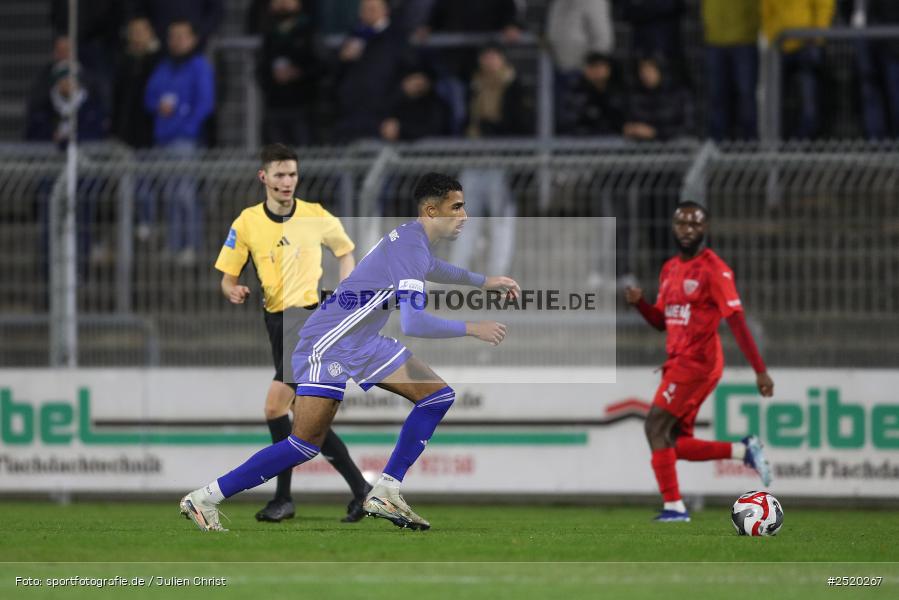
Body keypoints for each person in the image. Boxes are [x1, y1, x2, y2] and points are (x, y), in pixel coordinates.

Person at [180, 173, 520, 531]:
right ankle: (205, 498)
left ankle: (386, 489)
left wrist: (484, 282)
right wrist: (472, 328)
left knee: (437, 397)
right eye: (457, 207)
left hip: (361, 341)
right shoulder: (410, 245)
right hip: (327, 342)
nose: (465, 215)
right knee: (304, 444)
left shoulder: (412, 240)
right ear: (432, 211)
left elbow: (434, 268)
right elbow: (414, 323)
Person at [213, 143, 371, 523]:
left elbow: (345, 250)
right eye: (280, 175)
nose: (287, 182)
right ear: (263, 177)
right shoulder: (247, 222)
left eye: (292, 175)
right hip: (276, 320)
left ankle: (284, 499)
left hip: (306, 320)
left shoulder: (316, 216)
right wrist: (231, 290)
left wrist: (346, 282)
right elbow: (226, 277)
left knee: (275, 407)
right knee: (306, 419)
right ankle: (362, 492)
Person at [624, 201, 775, 522]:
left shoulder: (714, 269)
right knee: (673, 442)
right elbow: (662, 321)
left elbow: (736, 321)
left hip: (698, 363)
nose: (687, 230)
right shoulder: (670, 269)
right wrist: (640, 305)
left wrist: (759, 370)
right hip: (679, 361)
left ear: (705, 228)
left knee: (654, 426)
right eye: (682, 223)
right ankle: (743, 451)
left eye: (694, 224)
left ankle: (675, 507)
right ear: (674, 227)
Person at [144, 19, 215, 265]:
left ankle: (191, 244)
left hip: (185, 140)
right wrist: (158, 106)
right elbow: (150, 96)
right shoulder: (164, 66)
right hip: (164, 138)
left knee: (185, 194)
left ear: (193, 39)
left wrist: (187, 125)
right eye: (173, 36)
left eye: (182, 36)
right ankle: (175, 244)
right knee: (170, 194)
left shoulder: (199, 66)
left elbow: (205, 103)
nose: (177, 41)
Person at [332, 0, 414, 142]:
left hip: (383, 119)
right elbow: (336, 75)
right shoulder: (354, 36)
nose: (367, 12)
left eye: (372, 8)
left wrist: (397, 117)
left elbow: (410, 80)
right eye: (363, 8)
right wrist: (342, 60)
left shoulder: (398, 38)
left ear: (385, 10)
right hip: (351, 117)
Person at [761, 0, 835, 139]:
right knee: (777, 100)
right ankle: (783, 141)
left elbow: (823, 5)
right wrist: (772, 37)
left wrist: (817, 36)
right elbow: (766, 9)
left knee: (810, 99)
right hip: (780, 45)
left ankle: (807, 141)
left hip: (807, 44)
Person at [256, 0, 324, 146]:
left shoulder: (309, 32)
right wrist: (272, 77)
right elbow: (261, 69)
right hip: (274, 108)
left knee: (306, 158)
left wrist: (298, 73)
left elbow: (322, 66)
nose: (282, 4)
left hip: (303, 108)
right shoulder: (269, 34)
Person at [702, 0, 760, 141]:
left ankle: (749, 145)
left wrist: (750, 29)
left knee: (745, 96)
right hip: (715, 40)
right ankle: (718, 144)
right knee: (717, 95)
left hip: (744, 40)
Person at [558, 52, 625, 137]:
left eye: (600, 66)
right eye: (592, 66)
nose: (597, 71)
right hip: (583, 144)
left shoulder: (616, 93)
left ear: (608, 69)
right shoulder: (575, 92)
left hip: (612, 143)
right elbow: (569, 123)